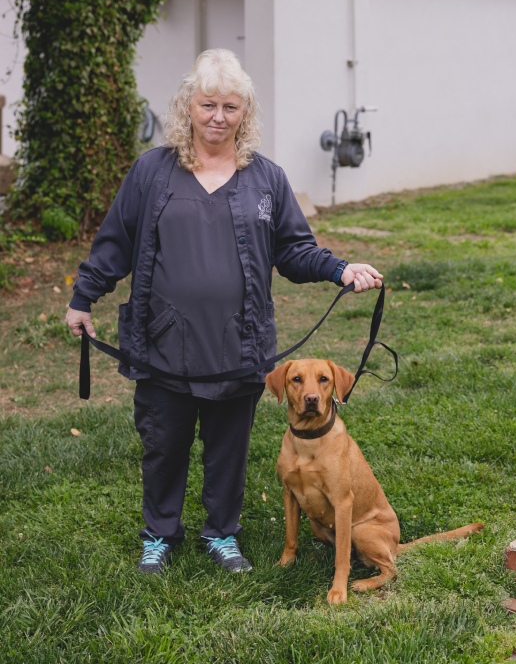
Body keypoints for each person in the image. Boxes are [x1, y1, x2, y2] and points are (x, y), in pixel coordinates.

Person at [65, 49, 383, 575]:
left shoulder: (267, 179)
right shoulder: (151, 172)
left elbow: (294, 249)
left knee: (227, 448)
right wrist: (83, 298)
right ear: (188, 107)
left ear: (246, 113)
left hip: (239, 344)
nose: (218, 116)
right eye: (207, 104)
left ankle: (221, 534)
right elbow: (114, 242)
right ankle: (159, 534)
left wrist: (340, 270)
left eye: (230, 107)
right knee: (163, 445)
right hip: (164, 342)